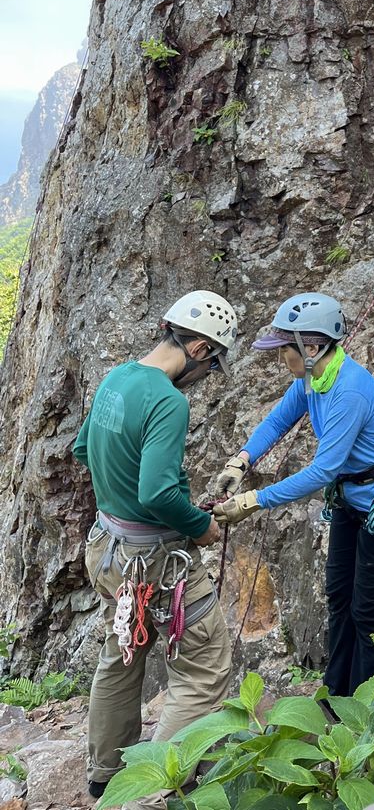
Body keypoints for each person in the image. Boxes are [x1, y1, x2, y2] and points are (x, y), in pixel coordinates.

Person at [212, 292, 374, 696]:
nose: (280, 359)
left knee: (372, 612)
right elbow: (278, 421)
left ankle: (371, 715)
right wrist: (241, 462)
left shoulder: (349, 392)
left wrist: (252, 501)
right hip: (354, 500)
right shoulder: (311, 379)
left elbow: (322, 470)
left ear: (311, 348)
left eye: (284, 350)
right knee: (340, 597)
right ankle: (338, 696)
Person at [73, 290, 238, 801]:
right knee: (205, 661)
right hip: (155, 559)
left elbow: (84, 449)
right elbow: (158, 492)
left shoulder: (117, 378)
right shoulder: (168, 400)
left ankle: (105, 776)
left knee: (123, 651)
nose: (205, 379)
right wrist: (199, 527)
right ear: (201, 350)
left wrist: (121, 493)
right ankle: (153, 790)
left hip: (107, 546)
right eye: (211, 368)